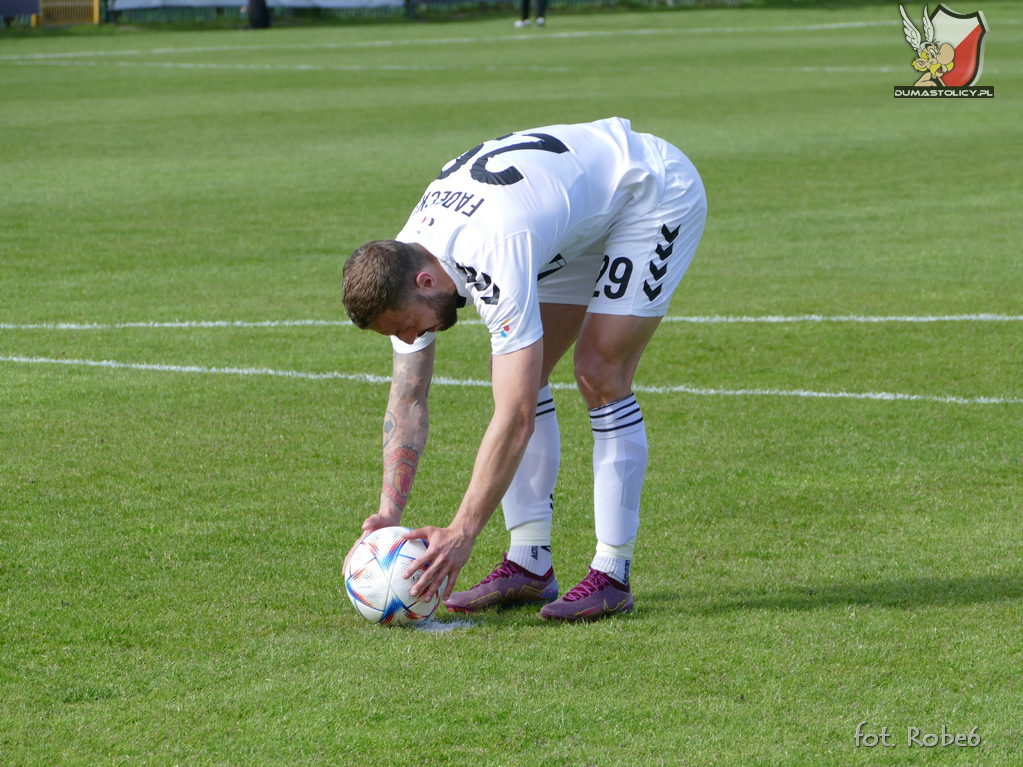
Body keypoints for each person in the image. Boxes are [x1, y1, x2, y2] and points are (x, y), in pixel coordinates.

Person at [342, 117, 706, 622]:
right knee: (523, 372)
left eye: (406, 326)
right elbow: (408, 398)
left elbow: (515, 417)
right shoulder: (406, 258)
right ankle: (530, 563)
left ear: (425, 282)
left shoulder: (490, 249)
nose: (410, 338)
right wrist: (389, 514)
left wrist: (463, 531)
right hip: (574, 221)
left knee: (598, 371)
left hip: (649, 193)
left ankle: (612, 574)